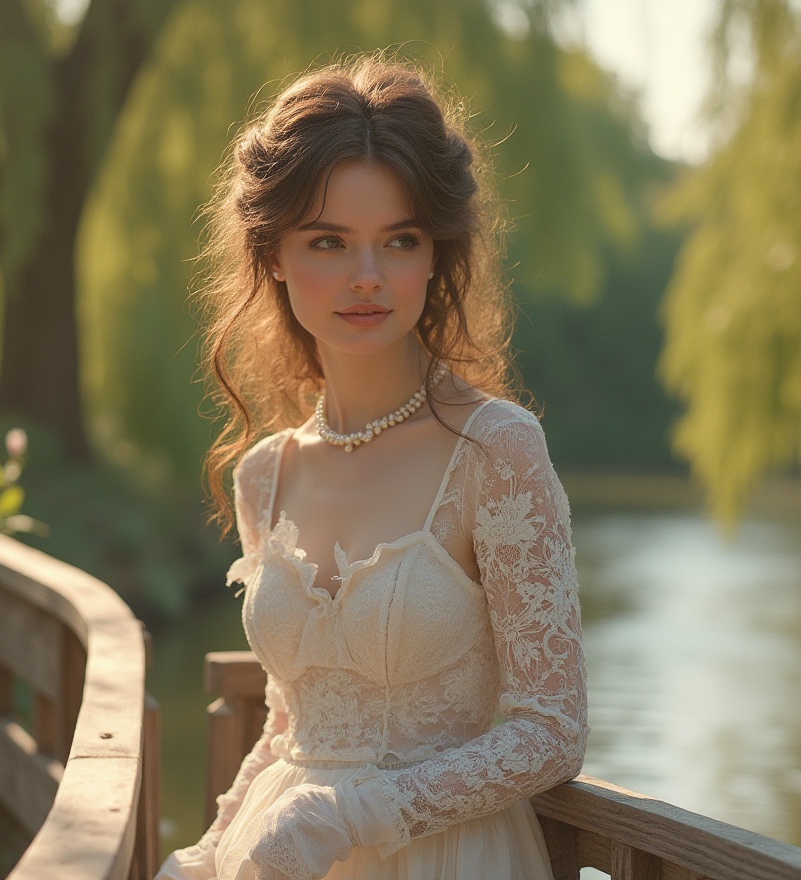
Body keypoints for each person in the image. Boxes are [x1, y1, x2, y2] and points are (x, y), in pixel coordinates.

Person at [157, 54, 588, 880]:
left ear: (435, 257)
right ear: (274, 255)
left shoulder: (494, 451)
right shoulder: (265, 475)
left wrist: (354, 814)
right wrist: (209, 853)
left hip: (439, 859)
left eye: (399, 240)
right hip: (278, 855)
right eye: (328, 241)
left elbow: (551, 732)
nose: (367, 277)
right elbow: (293, 721)